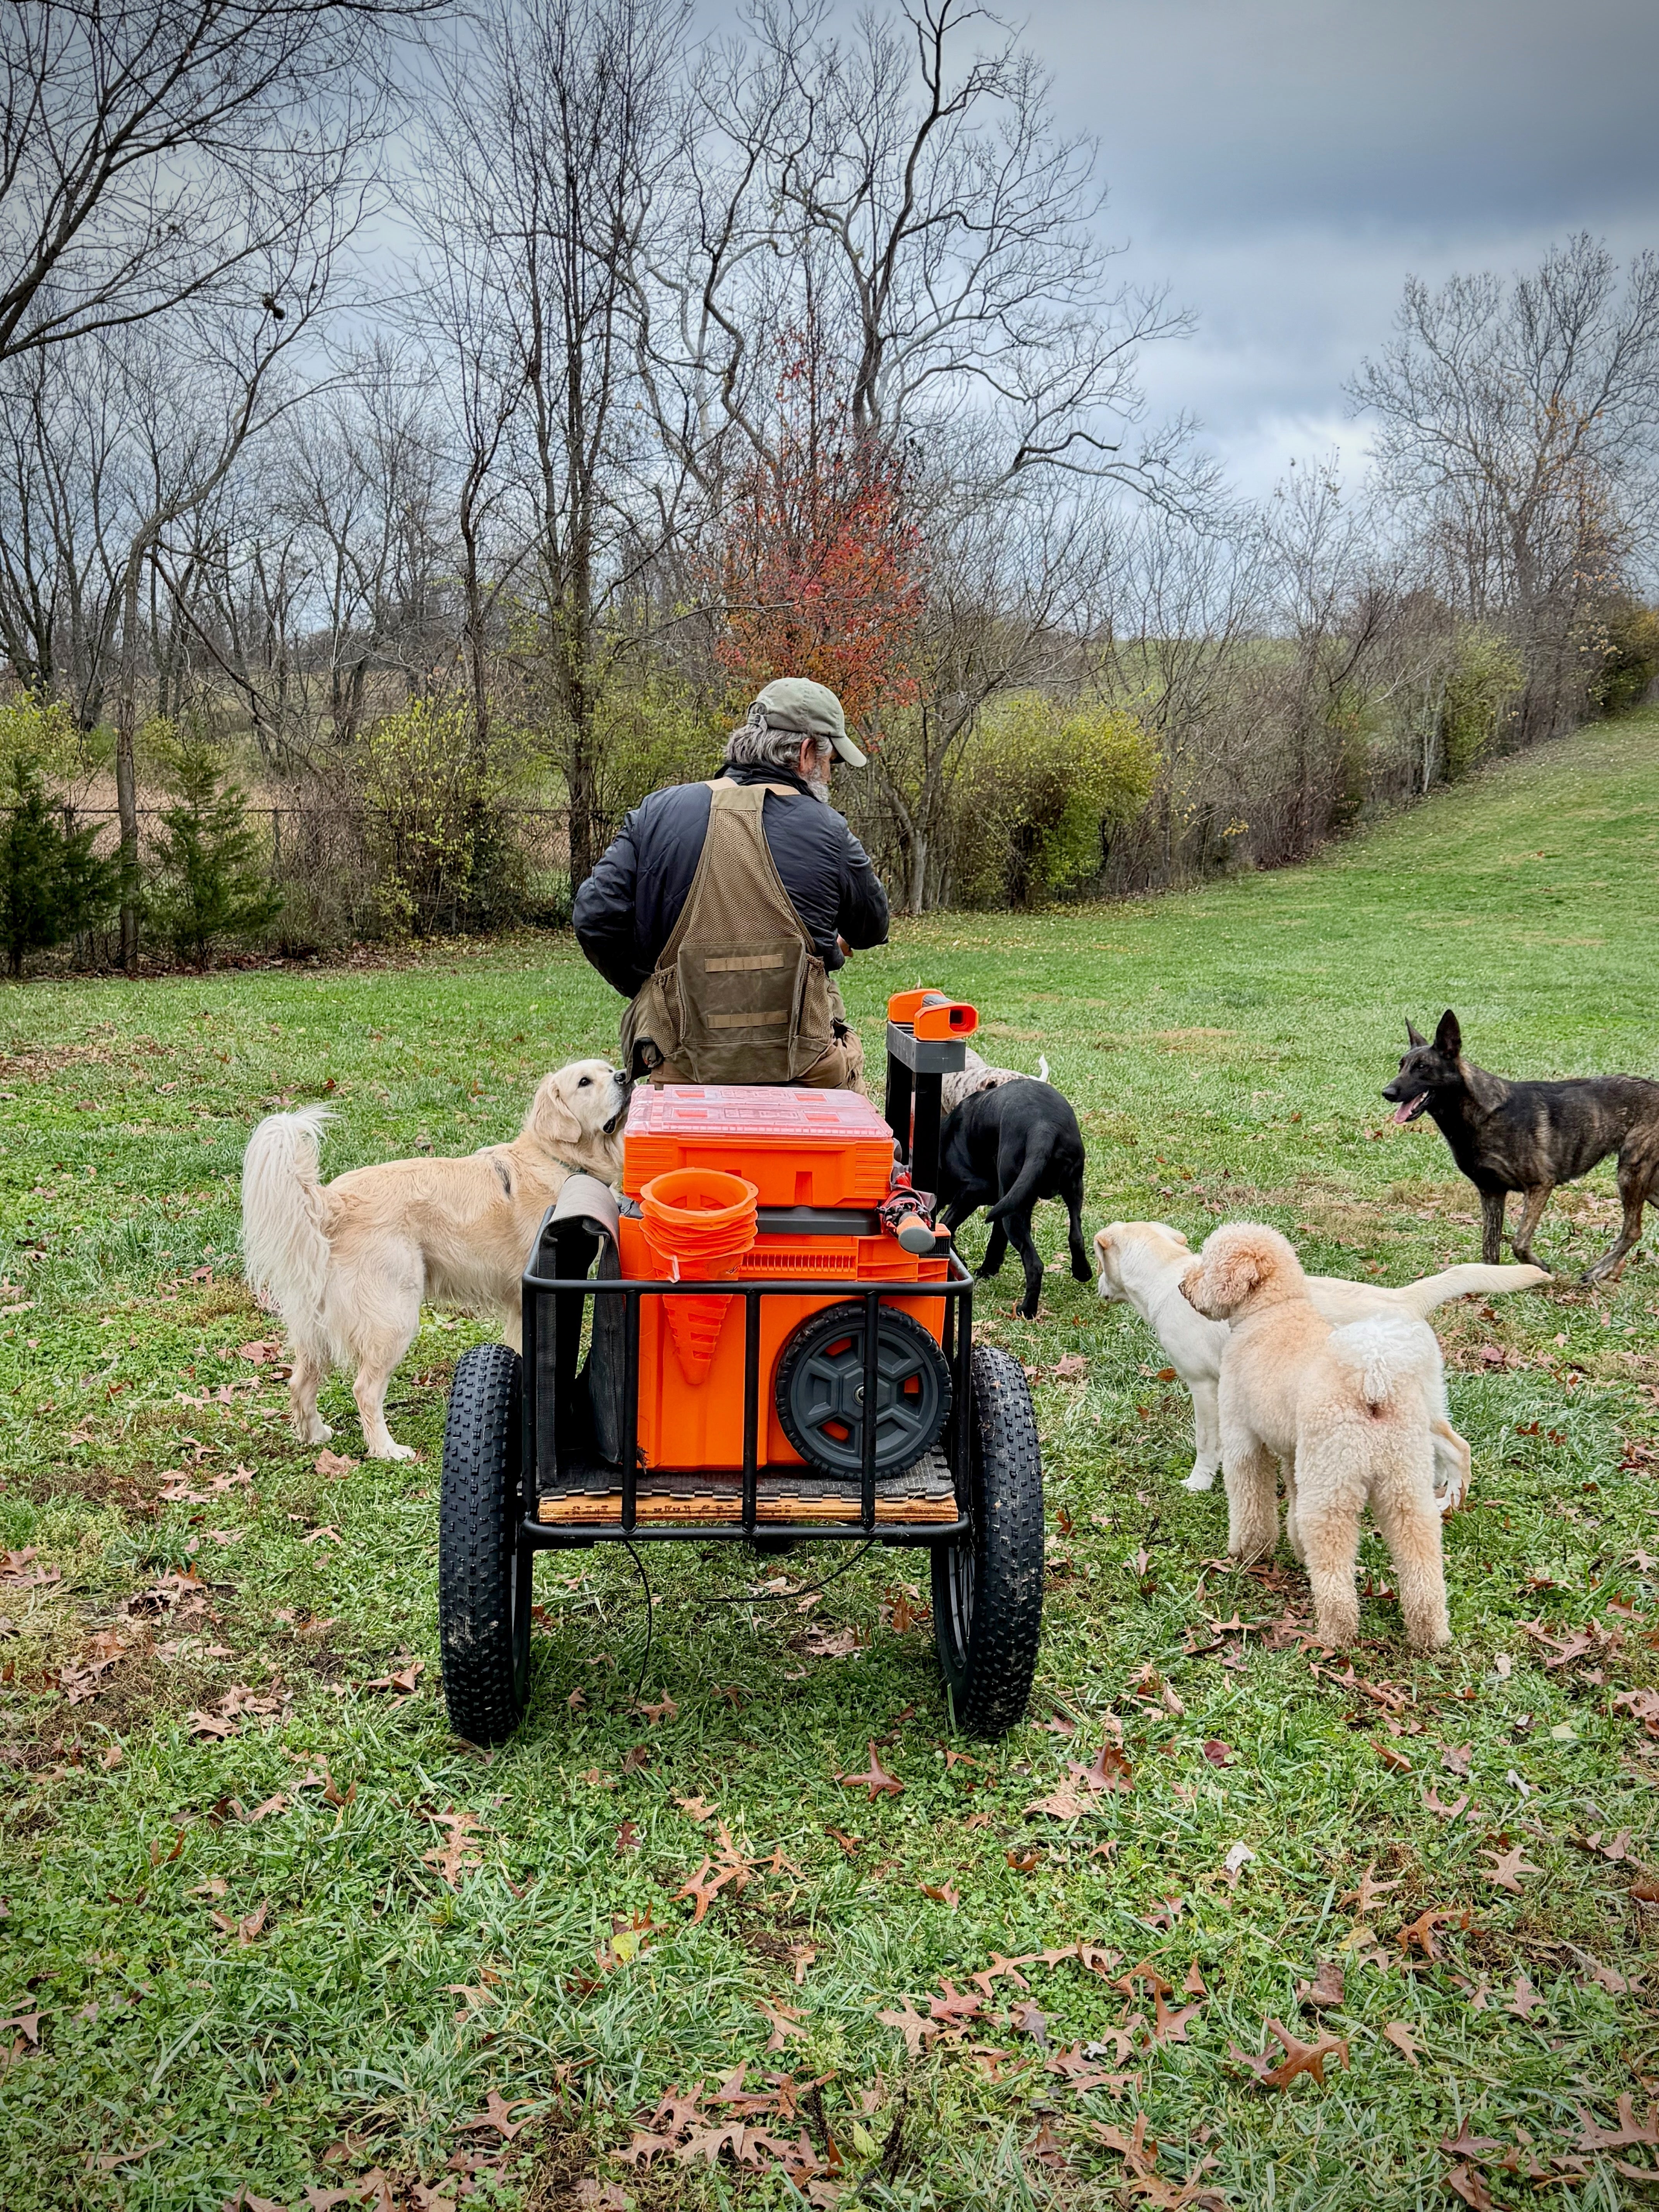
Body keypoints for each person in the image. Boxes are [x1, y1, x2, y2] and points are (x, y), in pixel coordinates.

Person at [572, 677, 890, 1091]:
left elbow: (594, 916)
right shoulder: (829, 831)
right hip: (804, 1074)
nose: (829, 774)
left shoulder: (657, 813)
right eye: (831, 761)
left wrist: (652, 987)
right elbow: (872, 927)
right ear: (808, 753)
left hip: (681, 1068)